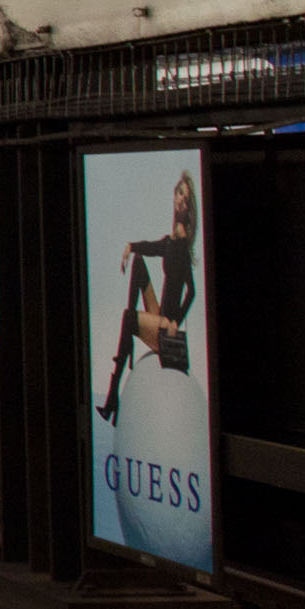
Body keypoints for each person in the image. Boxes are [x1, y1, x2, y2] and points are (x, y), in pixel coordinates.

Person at [97, 172, 198, 424]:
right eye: (179, 194)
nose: (180, 201)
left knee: (128, 317)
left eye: (185, 198)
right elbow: (154, 247)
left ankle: (112, 397)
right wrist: (130, 247)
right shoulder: (172, 238)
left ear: (188, 205)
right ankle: (127, 346)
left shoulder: (182, 241)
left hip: (166, 328)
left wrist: (175, 321)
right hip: (160, 314)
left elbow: (191, 290)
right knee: (140, 262)